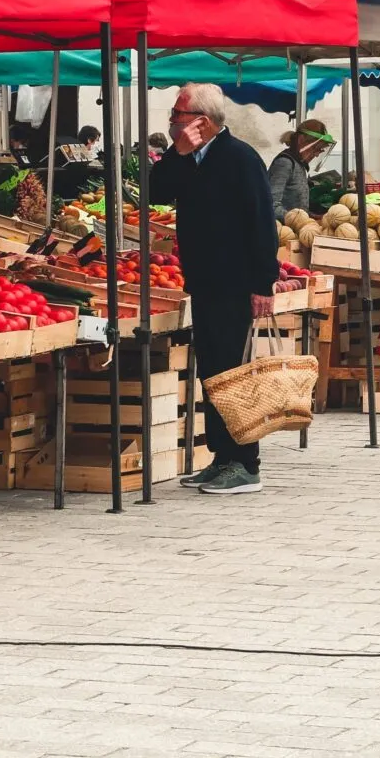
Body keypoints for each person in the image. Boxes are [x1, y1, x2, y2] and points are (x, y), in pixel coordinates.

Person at [151, 83, 277, 496]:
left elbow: (262, 222)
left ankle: (246, 463)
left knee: (232, 372)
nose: (172, 122)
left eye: (178, 116)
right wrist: (178, 154)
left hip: (235, 284)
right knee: (211, 372)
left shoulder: (239, 158)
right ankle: (222, 457)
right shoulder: (190, 160)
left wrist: (263, 283)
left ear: (201, 122)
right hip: (204, 281)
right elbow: (155, 191)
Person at [266, 119, 332, 221]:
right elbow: (271, 206)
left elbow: (298, 209)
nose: (317, 154)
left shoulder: (299, 164)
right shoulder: (285, 163)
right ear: (301, 140)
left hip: (297, 229)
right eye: (315, 148)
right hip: (282, 232)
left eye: (320, 150)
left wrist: (312, 216)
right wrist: (300, 221)